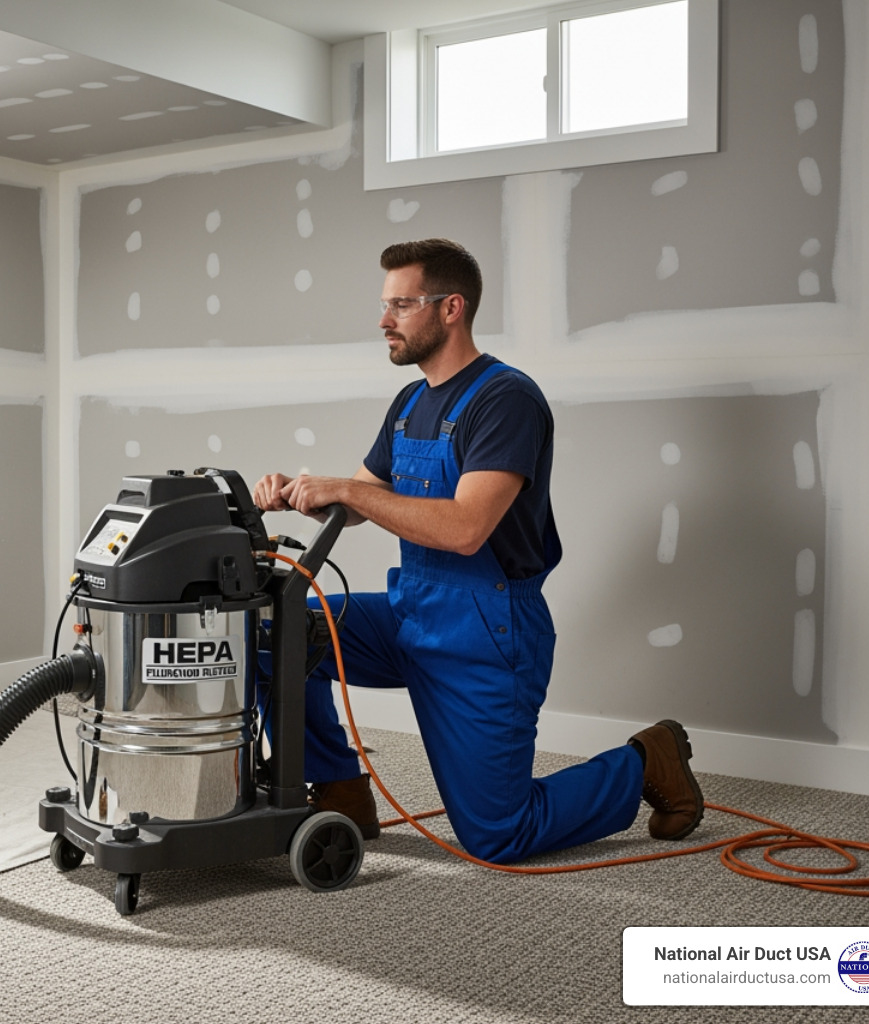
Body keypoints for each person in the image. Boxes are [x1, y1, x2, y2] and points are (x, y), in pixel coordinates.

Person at [252, 238, 702, 864]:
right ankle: (340, 792)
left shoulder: (504, 399)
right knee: (271, 634)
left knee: (499, 834)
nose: (384, 321)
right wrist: (299, 493)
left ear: (451, 308)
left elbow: (467, 528)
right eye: (384, 305)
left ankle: (644, 761)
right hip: (412, 609)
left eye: (401, 305)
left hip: (485, 630)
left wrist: (348, 490)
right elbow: (358, 504)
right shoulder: (410, 403)